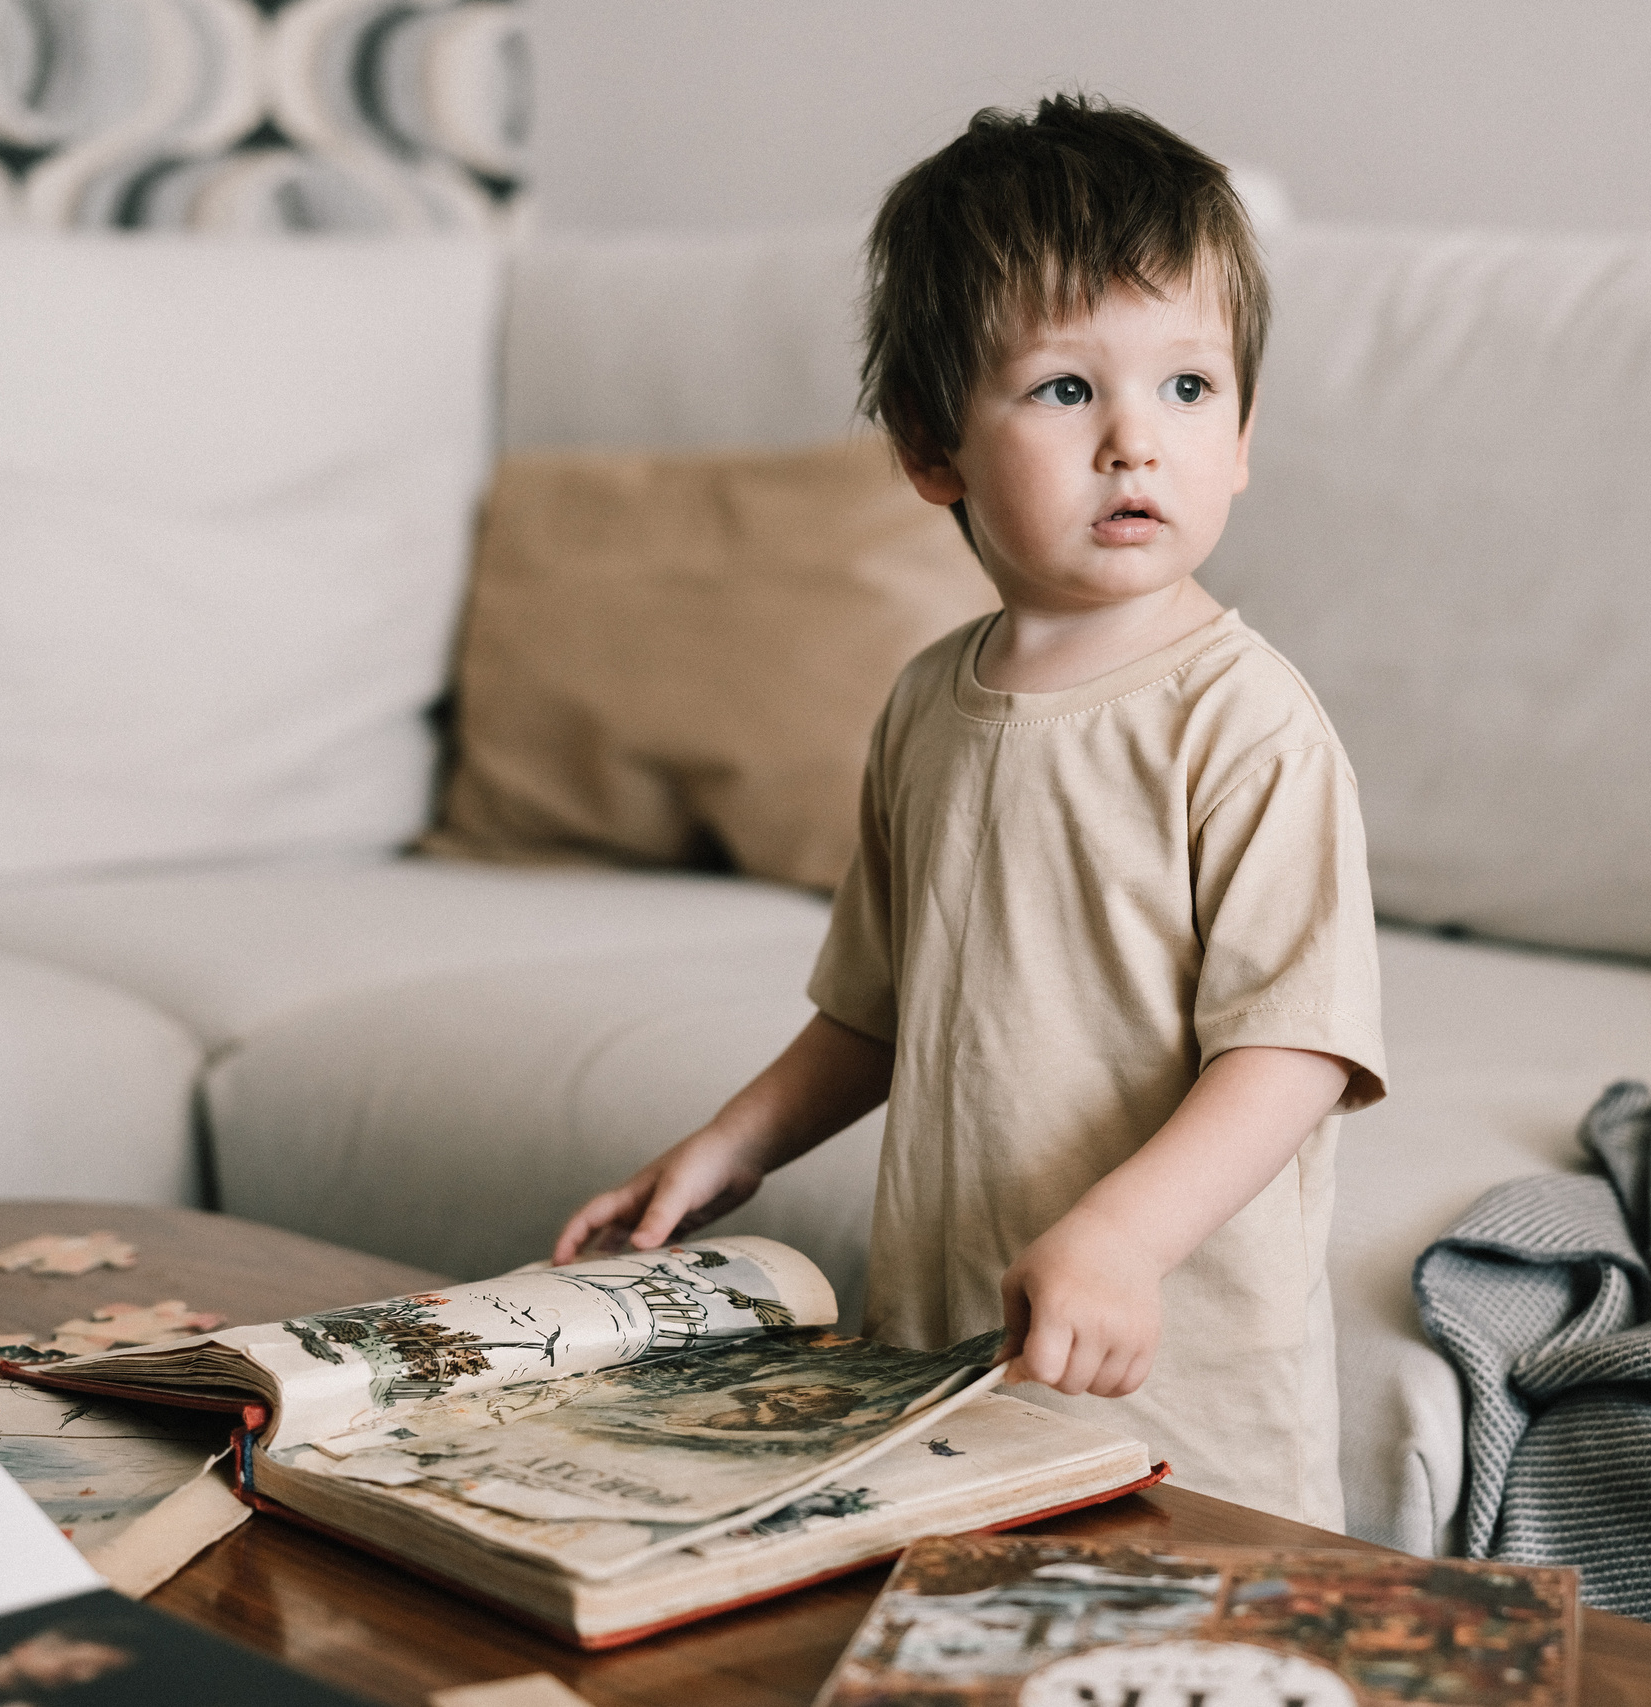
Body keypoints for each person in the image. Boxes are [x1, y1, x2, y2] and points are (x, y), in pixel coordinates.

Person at [555, 93, 1384, 1528]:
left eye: (1189, 387)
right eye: (1065, 391)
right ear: (933, 449)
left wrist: (1121, 1239)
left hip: (1174, 1385)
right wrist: (729, 1146)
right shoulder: (928, 704)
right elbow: (877, 1008)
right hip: (949, 1359)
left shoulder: (1244, 721)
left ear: (1245, 433)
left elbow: (1295, 1049)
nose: (1135, 440)